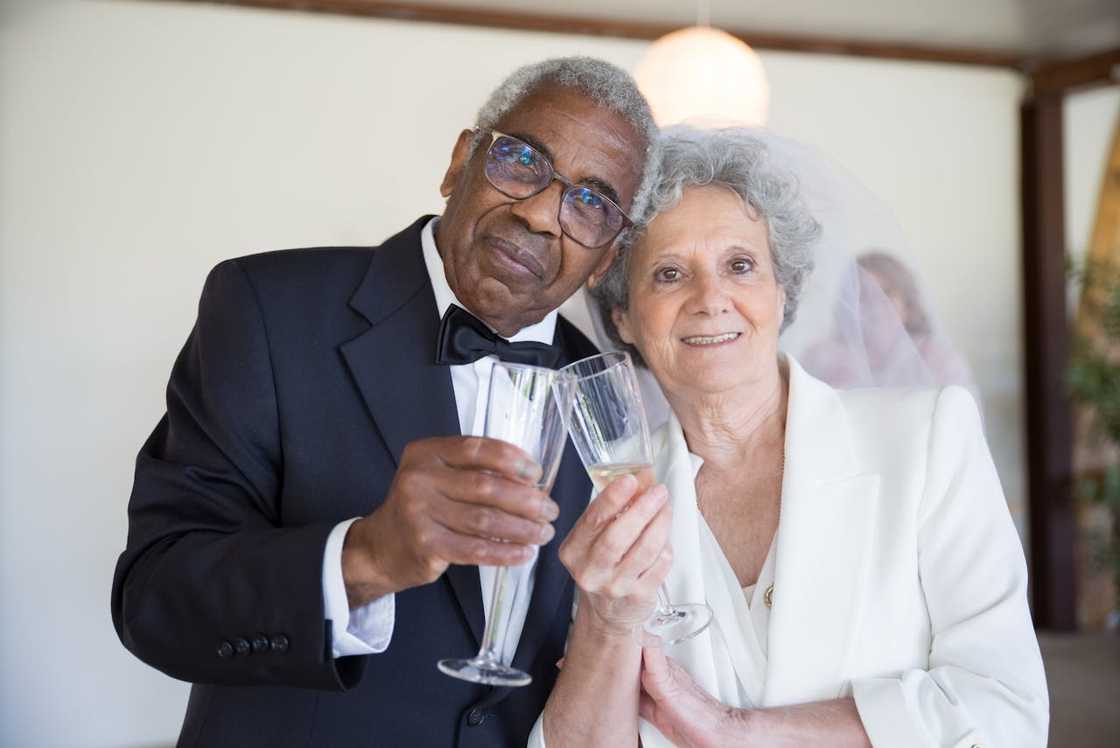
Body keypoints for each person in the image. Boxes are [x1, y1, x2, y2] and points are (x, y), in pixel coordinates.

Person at [110, 57, 659, 747]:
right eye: (522, 161)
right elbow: (155, 601)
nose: (542, 216)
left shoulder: (610, 390)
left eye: (590, 203)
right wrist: (365, 556)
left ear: (606, 257)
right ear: (461, 161)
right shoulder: (267, 308)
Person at [531, 127, 1048, 747]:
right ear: (624, 318)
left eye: (740, 266)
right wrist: (607, 622)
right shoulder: (601, 500)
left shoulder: (928, 438)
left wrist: (738, 731)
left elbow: (1007, 713)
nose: (710, 298)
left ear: (783, 292)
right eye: (669, 274)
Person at [801, 250, 981, 403]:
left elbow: (963, 421)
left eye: (885, 293)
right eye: (862, 295)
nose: (874, 305)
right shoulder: (820, 357)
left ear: (908, 305)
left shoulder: (937, 357)